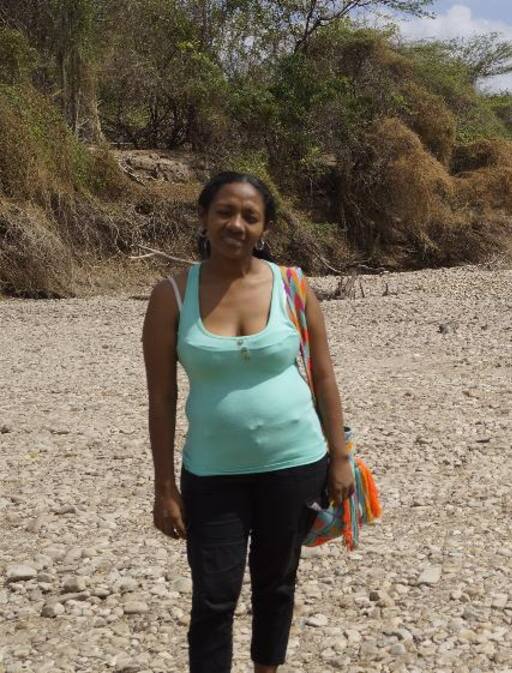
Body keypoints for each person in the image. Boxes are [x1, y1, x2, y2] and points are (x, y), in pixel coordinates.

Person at [141, 172, 354, 673]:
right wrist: (164, 486)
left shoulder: (293, 286)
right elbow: (161, 397)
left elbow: (324, 377)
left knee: (276, 585)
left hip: (296, 463)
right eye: (224, 212)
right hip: (212, 474)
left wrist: (340, 458)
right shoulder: (170, 295)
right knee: (213, 597)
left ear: (265, 228)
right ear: (203, 217)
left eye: (249, 216)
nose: (235, 224)